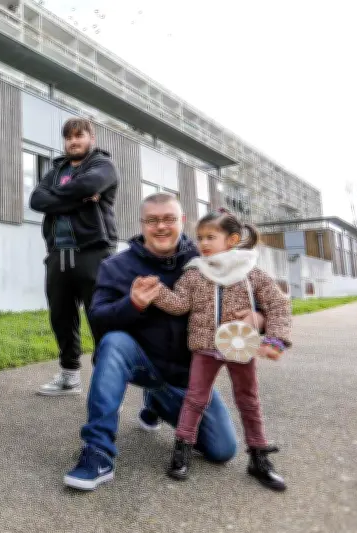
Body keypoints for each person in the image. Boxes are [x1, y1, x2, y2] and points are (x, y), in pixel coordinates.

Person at [63, 192, 268, 491]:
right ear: (142, 224)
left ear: (182, 221)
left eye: (169, 219)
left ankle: (157, 402)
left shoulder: (207, 259)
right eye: (152, 220)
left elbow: (259, 298)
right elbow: (98, 318)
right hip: (140, 362)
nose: (161, 226)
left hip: (188, 378)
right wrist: (132, 304)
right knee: (114, 342)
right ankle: (98, 451)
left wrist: (258, 318)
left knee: (222, 450)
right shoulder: (116, 266)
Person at [139, 208, 291, 491]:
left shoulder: (251, 273)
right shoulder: (195, 273)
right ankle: (182, 448)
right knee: (195, 399)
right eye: (200, 238)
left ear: (232, 240)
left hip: (240, 347)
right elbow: (180, 304)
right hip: (205, 348)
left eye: (211, 237)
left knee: (248, 400)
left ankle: (258, 457)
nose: (203, 243)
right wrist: (157, 292)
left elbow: (278, 304)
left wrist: (275, 340)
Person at [29, 117, 120, 396]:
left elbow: (89, 185)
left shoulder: (103, 165)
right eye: (69, 137)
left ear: (91, 138)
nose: (73, 142)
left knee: (100, 318)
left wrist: (57, 199)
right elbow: (36, 200)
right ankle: (69, 377)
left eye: (79, 136)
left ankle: (107, 382)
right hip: (58, 253)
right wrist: (78, 198)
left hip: (94, 252)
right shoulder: (57, 170)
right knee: (61, 317)